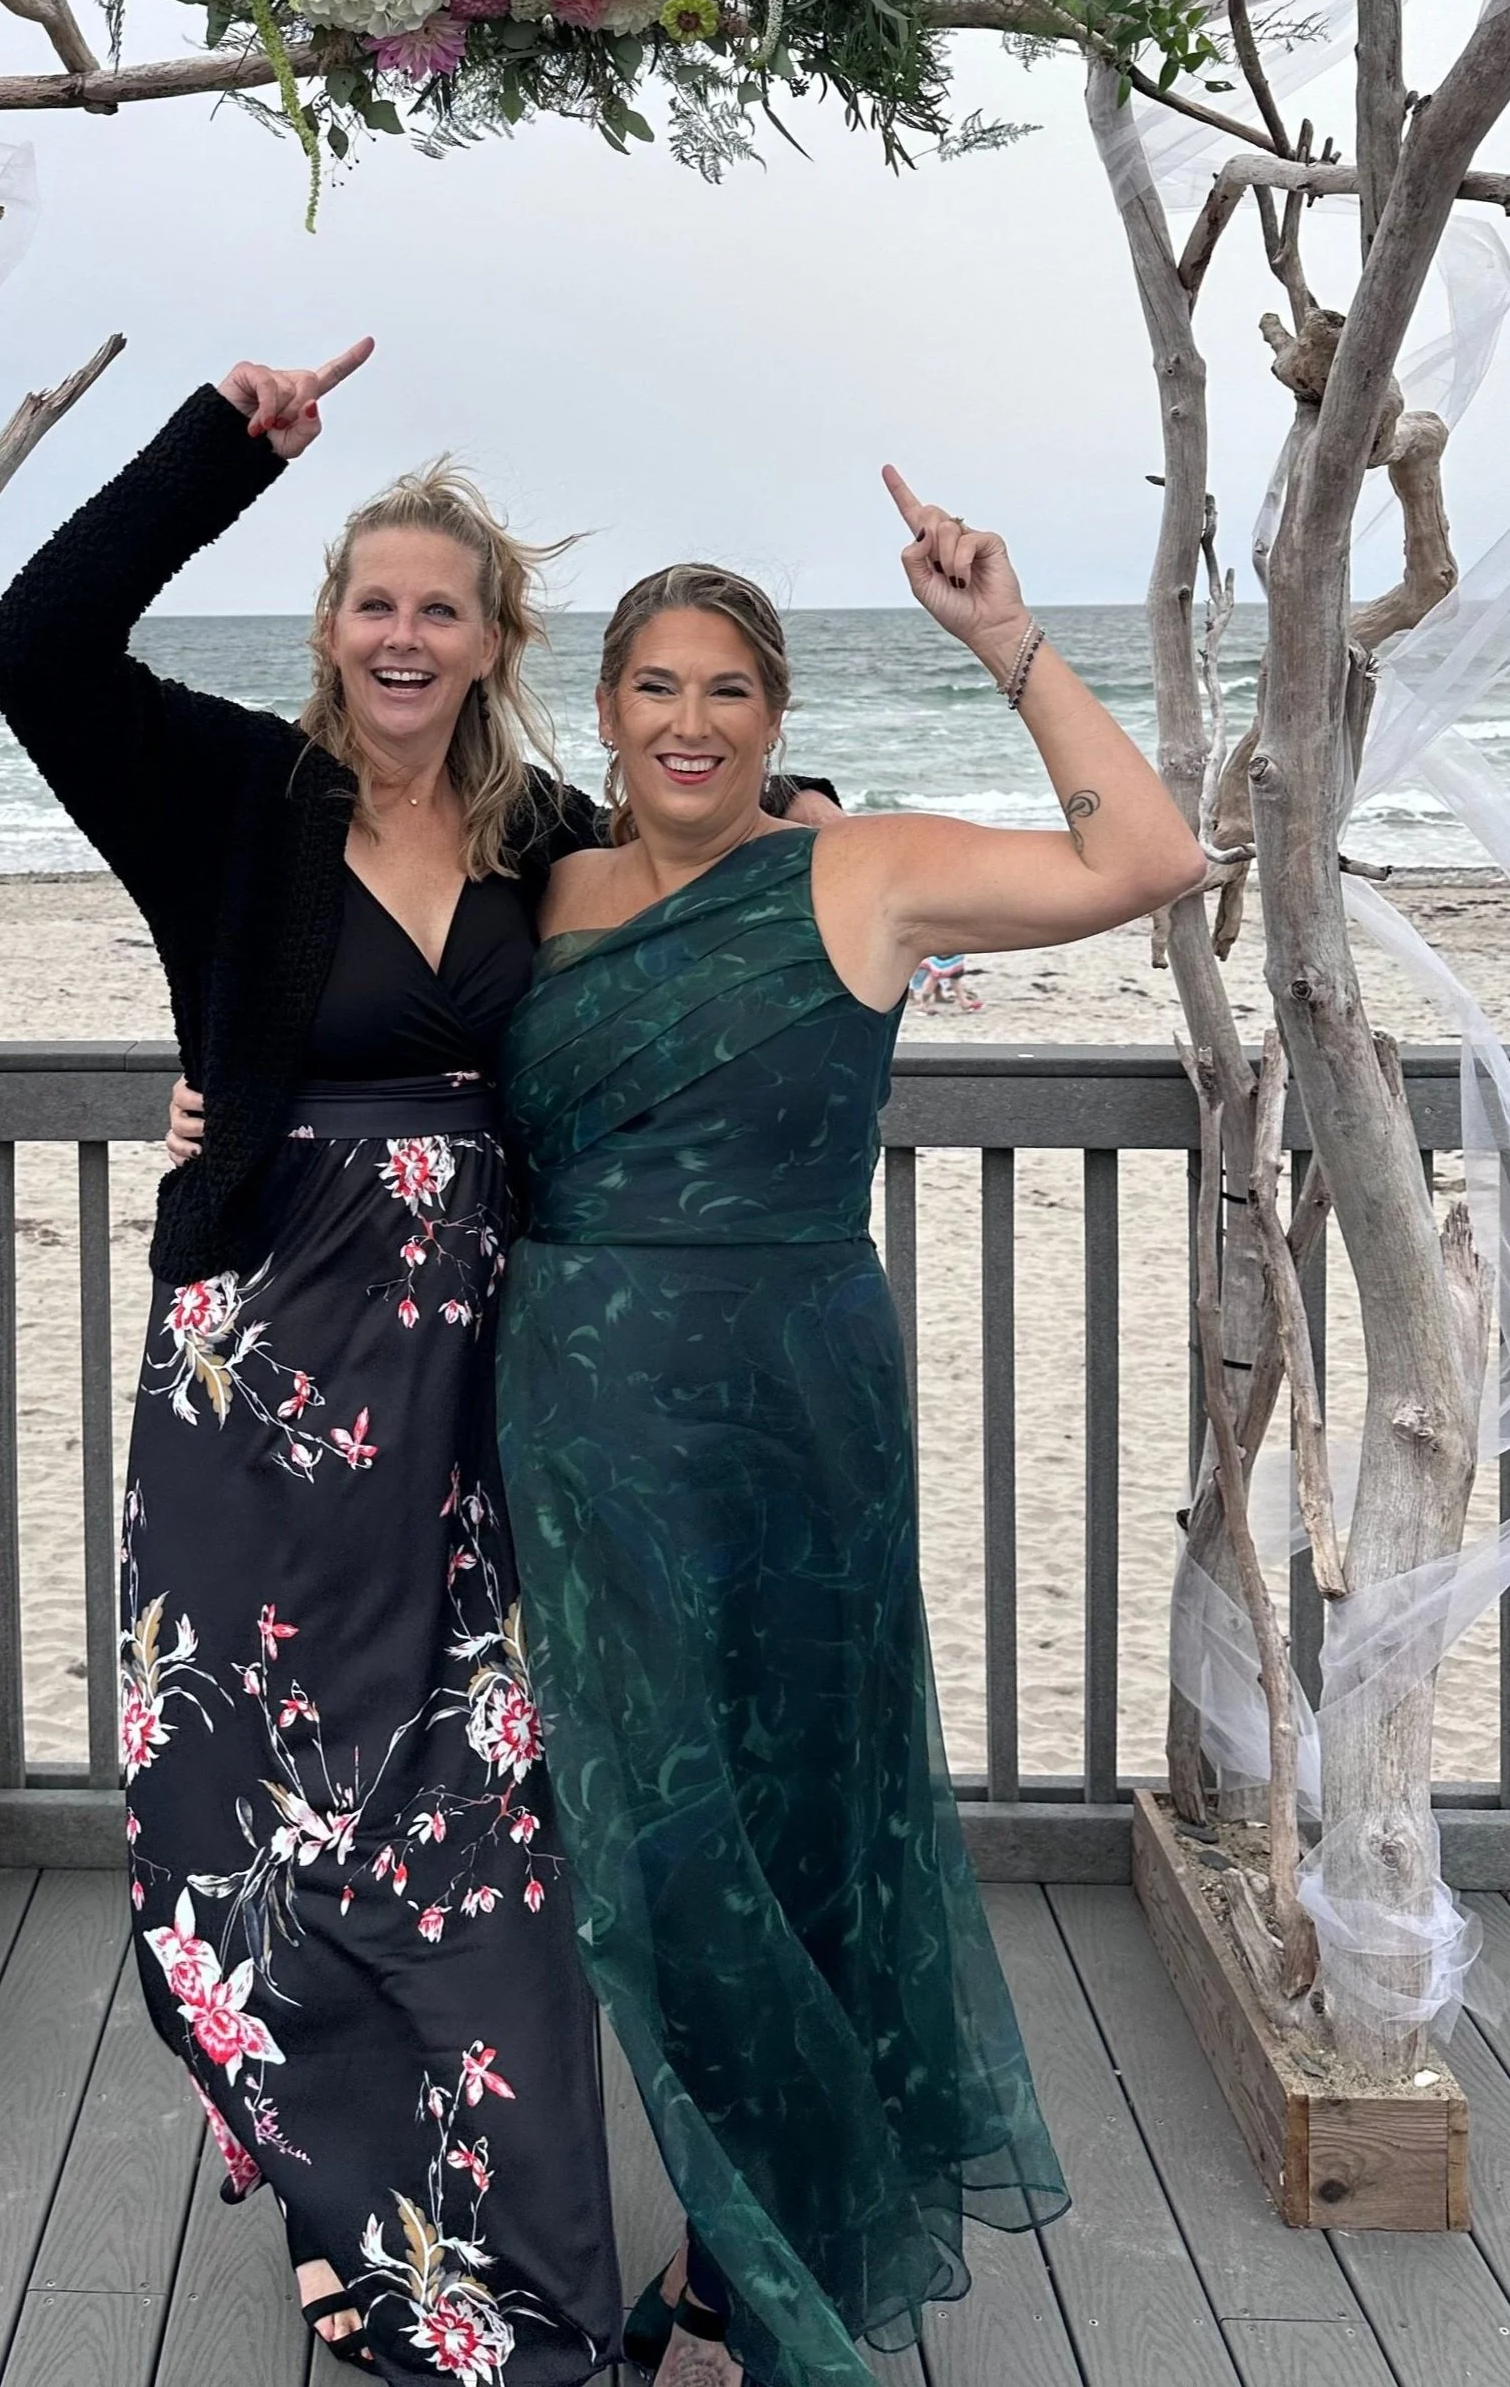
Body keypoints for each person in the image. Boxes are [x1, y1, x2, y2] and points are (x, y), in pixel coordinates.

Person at [0, 345, 832, 2384]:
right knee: (254, 1792)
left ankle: (502, 2268)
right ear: (331, 625)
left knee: (463, 1802)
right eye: (372, 599)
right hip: (256, 1369)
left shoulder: (543, 828)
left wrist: (825, 830)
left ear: (488, 639)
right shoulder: (221, 794)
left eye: (438, 606)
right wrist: (222, 447)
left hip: (466, 1386)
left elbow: (710, 840)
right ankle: (318, 2207)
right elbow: (29, 641)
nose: (401, 632)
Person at [492, 483, 1204, 2387]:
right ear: (606, 708)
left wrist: (1004, 639)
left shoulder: (862, 870)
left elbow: (1149, 855)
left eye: (729, 688)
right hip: (570, 1411)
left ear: (777, 713)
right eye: (654, 686)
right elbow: (395, 1057)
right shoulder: (541, 894)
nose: (691, 722)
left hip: (792, 1407)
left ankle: (748, 2267)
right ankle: (732, 2227)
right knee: (635, 1838)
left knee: (800, 1815)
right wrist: (217, 1111)